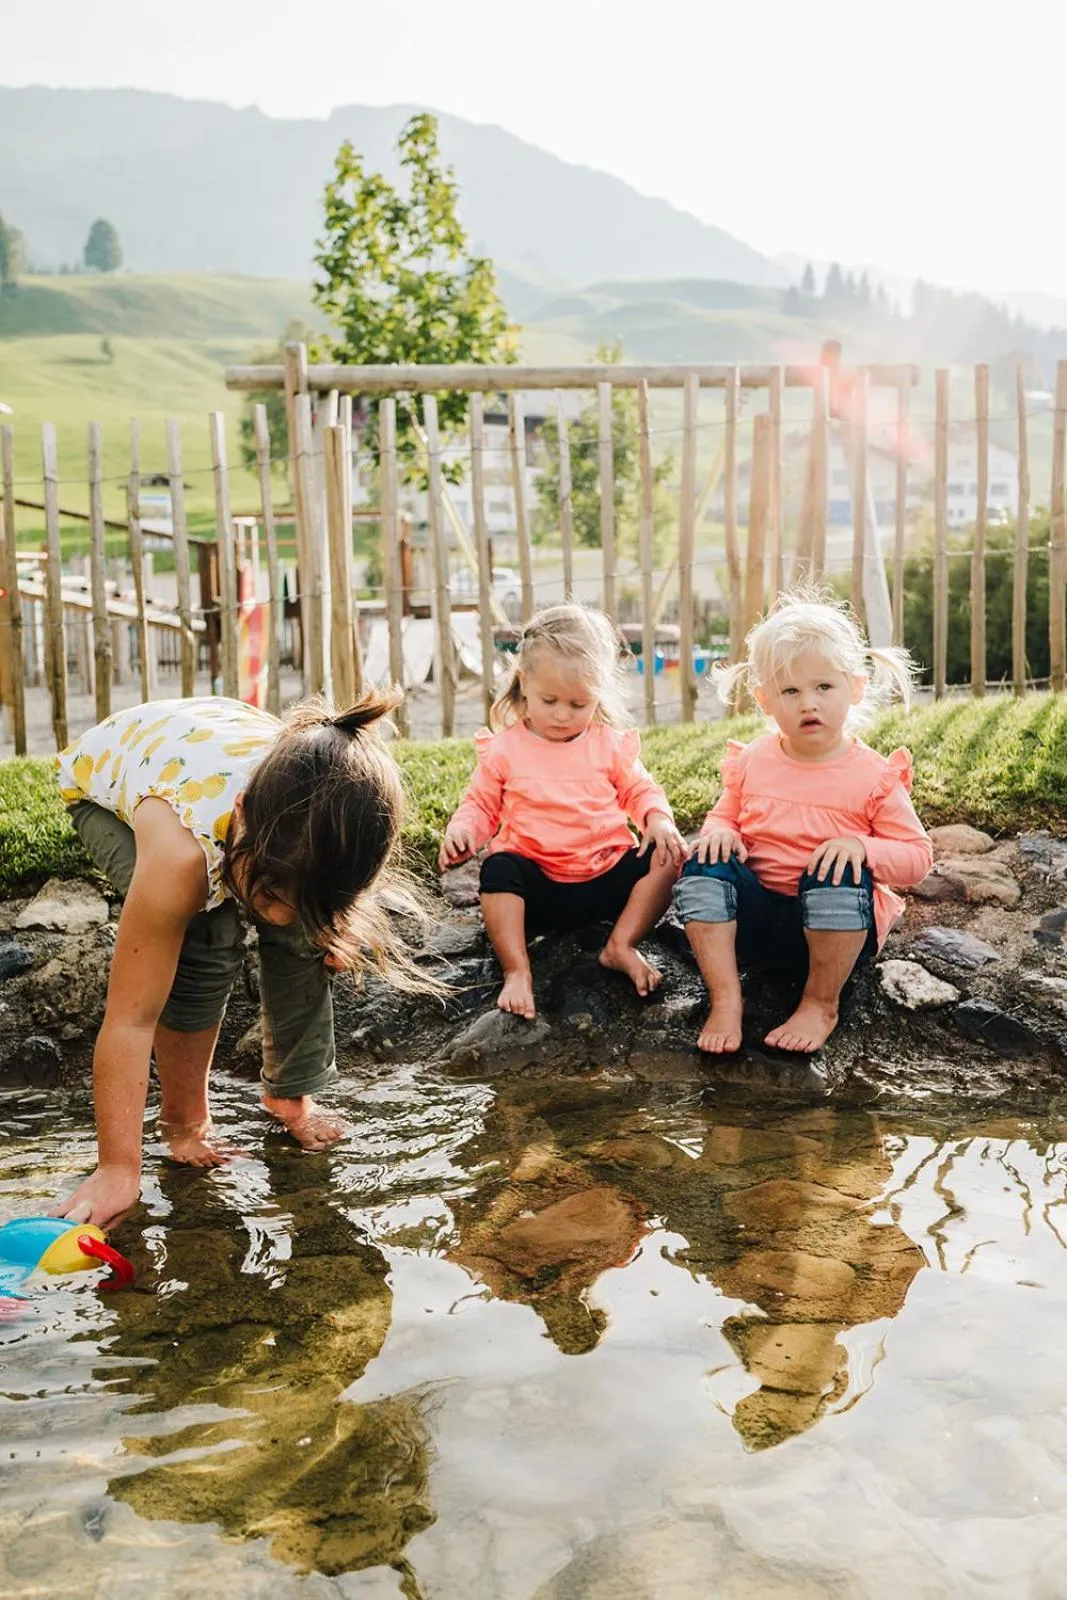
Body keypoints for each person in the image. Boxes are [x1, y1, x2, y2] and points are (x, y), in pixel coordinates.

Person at [51, 688, 423, 1229]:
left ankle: (289, 1098)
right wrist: (117, 1168)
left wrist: (327, 925)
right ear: (243, 813)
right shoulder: (181, 856)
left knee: (304, 935)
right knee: (205, 932)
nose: (271, 915)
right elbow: (129, 1020)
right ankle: (183, 1120)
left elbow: (319, 893)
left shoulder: (327, 826)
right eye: (268, 893)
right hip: (115, 772)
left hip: (220, 744)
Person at [673, 593, 933, 1055]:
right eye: (790, 692)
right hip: (752, 926)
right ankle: (727, 997)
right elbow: (722, 815)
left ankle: (819, 1004)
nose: (807, 703)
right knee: (703, 864)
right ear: (765, 701)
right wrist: (722, 833)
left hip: (836, 935)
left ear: (854, 687)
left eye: (823, 688)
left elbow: (917, 859)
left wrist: (862, 847)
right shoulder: (754, 760)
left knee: (836, 867)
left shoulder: (872, 776)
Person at [439, 604, 687, 1019]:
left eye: (578, 704)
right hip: (539, 891)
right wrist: (463, 831)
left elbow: (640, 790)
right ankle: (517, 970)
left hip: (606, 881)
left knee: (668, 856)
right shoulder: (505, 750)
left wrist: (658, 820)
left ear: (598, 696)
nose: (561, 714)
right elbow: (480, 803)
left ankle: (621, 944)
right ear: (524, 684)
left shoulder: (608, 744)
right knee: (499, 868)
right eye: (548, 700)